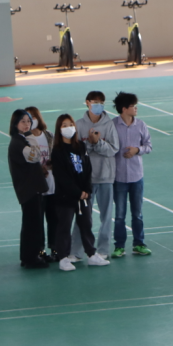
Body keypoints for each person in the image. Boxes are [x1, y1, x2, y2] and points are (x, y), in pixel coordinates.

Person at [50, 114, 109, 270]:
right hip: (66, 197)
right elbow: (61, 176)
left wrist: (87, 190)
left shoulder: (81, 147)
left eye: (70, 124)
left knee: (86, 224)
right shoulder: (57, 151)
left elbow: (87, 169)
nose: (68, 128)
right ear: (59, 129)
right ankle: (63, 258)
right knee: (64, 226)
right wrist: (77, 192)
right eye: (64, 125)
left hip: (83, 196)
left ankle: (91, 254)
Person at [72, 91, 119, 260]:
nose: (98, 105)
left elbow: (113, 149)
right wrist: (90, 144)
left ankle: (103, 250)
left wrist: (98, 143)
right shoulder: (79, 125)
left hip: (106, 176)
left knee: (106, 216)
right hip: (86, 180)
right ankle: (75, 251)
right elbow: (76, 151)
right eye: (95, 102)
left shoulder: (109, 125)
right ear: (87, 102)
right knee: (82, 216)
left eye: (101, 102)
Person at [111, 92, 152, 258]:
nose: (136, 108)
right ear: (124, 109)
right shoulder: (112, 125)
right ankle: (119, 246)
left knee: (137, 213)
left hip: (137, 177)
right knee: (119, 215)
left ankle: (139, 244)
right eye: (132, 106)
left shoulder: (141, 125)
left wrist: (137, 150)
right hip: (119, 177)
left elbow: (148, 146)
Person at [7, 109, 50, 269]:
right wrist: (32, 137)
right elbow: (35, 156)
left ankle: (30, 255)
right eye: (23, 121)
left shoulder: (21, 140)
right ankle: (31, 258)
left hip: (30, 189)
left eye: (28, 121)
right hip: (28, 189)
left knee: (32, 223)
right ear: (15, 124)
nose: (27, 124)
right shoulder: (19, 143)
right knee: (32, 225)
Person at [25, 106, 57, 261]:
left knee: (54, 219)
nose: (31, 120)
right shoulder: (25, 139)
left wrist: (52, 163)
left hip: (52, 185)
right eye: (28, 117)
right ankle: (40, 250)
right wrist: (39, 169)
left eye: (33, 116)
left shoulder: (49, 135)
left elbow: (57, 155)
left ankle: (55, 248)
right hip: (37, 187)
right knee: (37, 221)